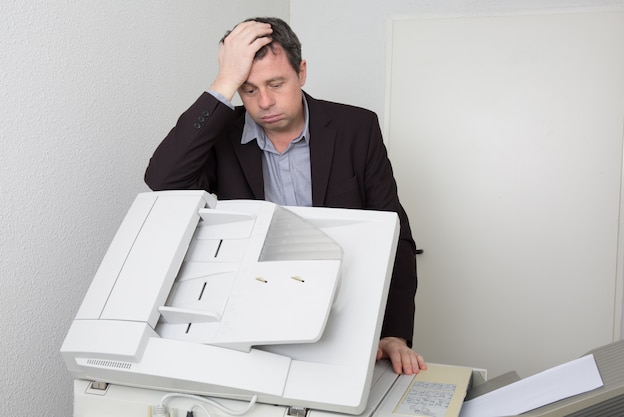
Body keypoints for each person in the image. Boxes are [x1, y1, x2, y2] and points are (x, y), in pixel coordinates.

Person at [145, 17, 426, 375]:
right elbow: (163, 179)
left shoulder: (357, 128)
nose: (264, 102)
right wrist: (223, 83)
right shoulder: (221, 135)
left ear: (301, 72)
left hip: (346, 314)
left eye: (276, 84)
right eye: (248, 89)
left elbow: (394, 234)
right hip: (252, 319)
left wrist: (394, 334)